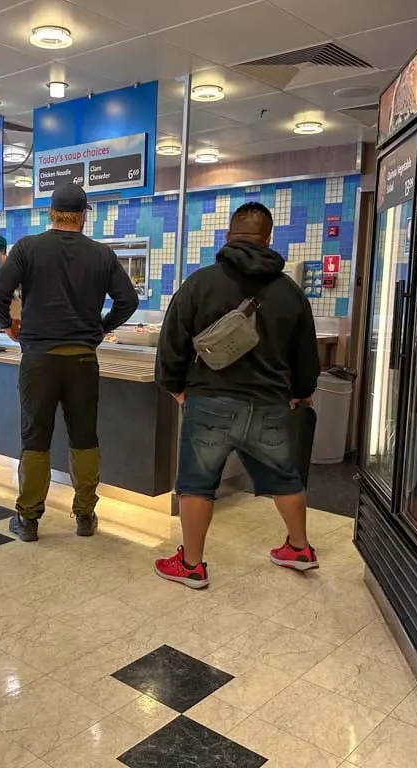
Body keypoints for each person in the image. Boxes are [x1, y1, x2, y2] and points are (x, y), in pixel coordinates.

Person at [153, 201, 320, 589]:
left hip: (210, 402)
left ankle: (192, 565)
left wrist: (177, 389)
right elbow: (305, 356)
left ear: (228, 236)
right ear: (269, 238)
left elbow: (171, 344)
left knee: (197, 483)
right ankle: (299, 548)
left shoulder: (200, 283)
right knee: (285, 477)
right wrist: (300, 393)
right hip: (269, 403)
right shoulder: (291, 293)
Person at [0, 183, 138, 542]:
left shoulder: (28, 247)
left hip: (38, 359)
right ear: (84, 215)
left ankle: (28, 520)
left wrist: (9, 324)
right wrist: (100, 329)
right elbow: (128, 300)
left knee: (35, 437)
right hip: (83, 361)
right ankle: (85, 515)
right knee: (84, 436)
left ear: (51, 213)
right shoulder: (102, 254)